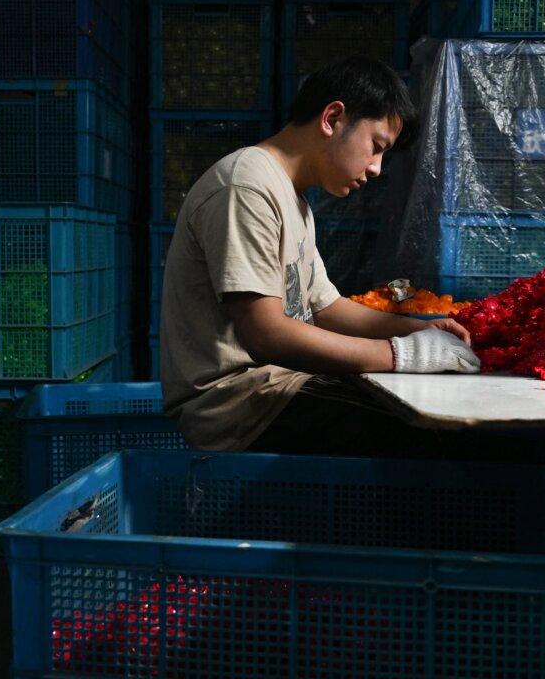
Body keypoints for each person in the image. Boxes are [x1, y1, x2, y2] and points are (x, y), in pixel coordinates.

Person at [159, 56, 480, 456]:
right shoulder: (245, 186)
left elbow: (327, 307)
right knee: (435, 434)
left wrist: (415, 330)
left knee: (429, 406)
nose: (377, 168)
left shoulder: (295, 203)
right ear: (332, 118)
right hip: (239, 406)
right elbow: (266, 334)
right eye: (376, 146)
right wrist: (400, 355)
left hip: (276, 388)